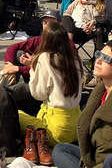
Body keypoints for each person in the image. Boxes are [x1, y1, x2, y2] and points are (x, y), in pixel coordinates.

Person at [19, 20, 84, 165]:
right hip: (76, 125)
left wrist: (33, 68)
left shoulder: (44, 58)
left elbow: (38, 94)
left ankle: (36, 144)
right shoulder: (75, 58)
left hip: (57, 128)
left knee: (15, 114)